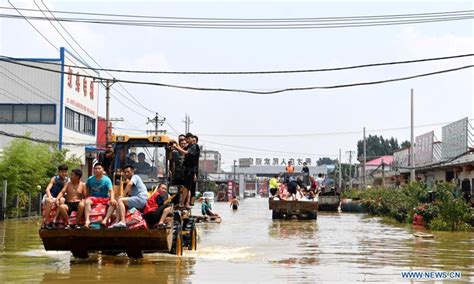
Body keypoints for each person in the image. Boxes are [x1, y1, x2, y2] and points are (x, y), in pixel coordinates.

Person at [84, 163, 115, 228]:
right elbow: (86, 187)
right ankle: (87, 221)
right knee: (87, 201)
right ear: (93, 170)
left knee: (113, 203)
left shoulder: (107, 179)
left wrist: (112, 198)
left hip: (104, 198)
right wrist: (85, 196)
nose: (97, 170)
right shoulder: (90, 179)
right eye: (95, 169)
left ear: (103, 170)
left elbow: (111, 190)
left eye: (99, 168)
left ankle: (105, 220)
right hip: (94, 198)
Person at [173, 133, 200, 207]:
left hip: (190, 170)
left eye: (188, 139)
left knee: (187, 188)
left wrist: (177, 147)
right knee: (185, 188)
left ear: (191, 138)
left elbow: (185, 152)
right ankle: (182, 203)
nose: (187, 141)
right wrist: (175, 145)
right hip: (185, 170)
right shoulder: (189, 146)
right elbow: (182, 148)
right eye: (186, 139)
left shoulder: (194, 146)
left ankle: (184, 204)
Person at [42, 164, 69, 229]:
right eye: (62, 172)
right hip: (51, 195)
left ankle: (54, 220)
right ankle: (46, 221)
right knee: (50, 201)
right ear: (59, 172)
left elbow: (63, 192)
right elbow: (47, 189)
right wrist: (50, 196)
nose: (64, 173)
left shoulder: (67, 180)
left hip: (59, 197)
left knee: (62, 200)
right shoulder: (54, 179)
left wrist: (57, 199)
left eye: (65, 172)